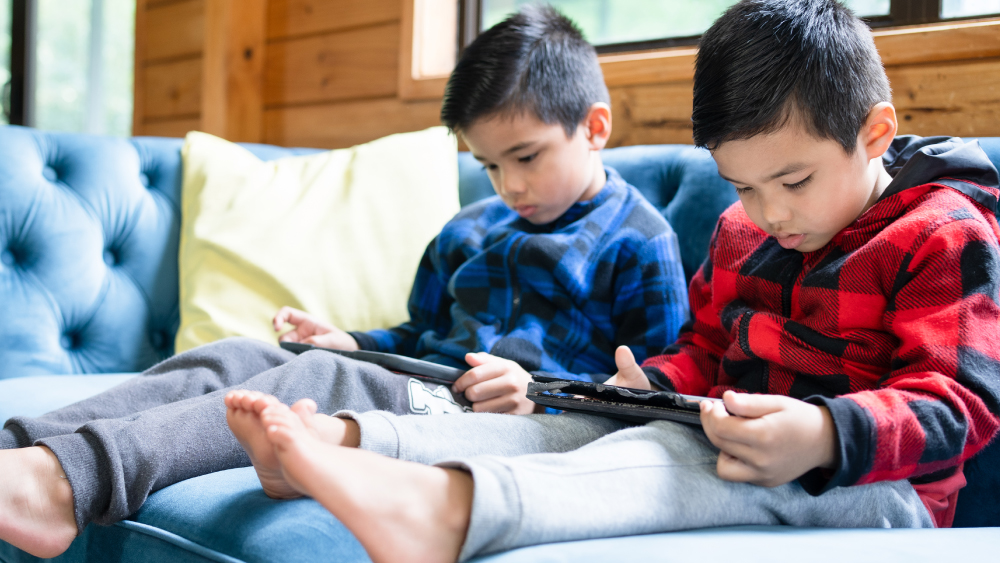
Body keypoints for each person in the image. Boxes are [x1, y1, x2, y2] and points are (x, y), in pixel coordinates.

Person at [223, 1, 1000, 562]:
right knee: (593, 420)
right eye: (741, 187)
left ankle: (447, 511)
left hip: (881, 491)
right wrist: (647, 382)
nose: (766, 213)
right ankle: (353, 440)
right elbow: (703, 349)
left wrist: (824, 433)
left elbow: (961, 402)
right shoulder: (743, 231)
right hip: (735, 436)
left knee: (677, 462)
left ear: (874, 133)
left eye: (791, 180)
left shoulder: (941, 232)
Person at [0, 7, 691, 558]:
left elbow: (651, 390)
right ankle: (19, 448)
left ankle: (67, 483)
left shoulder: (641, 238)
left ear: (594, 127)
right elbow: (419, 334)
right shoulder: (472, 229)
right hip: (419, 380)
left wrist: (539, 389)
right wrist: (350, 338)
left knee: (327, 381)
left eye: (527, 157)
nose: (510, 185)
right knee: (242, 356)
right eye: (488, 165)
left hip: (501, 418)